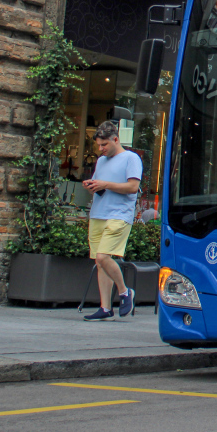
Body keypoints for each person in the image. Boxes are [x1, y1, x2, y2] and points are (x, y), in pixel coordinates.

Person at [81, 121, 143, 321]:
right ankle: (105, 307)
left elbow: (133, 187)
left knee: (102, 257)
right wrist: (93, 186)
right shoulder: (100, 161)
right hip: (99, 212)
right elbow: (102, 188)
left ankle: (125, 292)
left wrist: (105, 183)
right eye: (99, 145)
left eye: (104, 145)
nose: (101, 149)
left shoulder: (131, 158)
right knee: (100, 263)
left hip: (119, 214)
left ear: (116, 139)